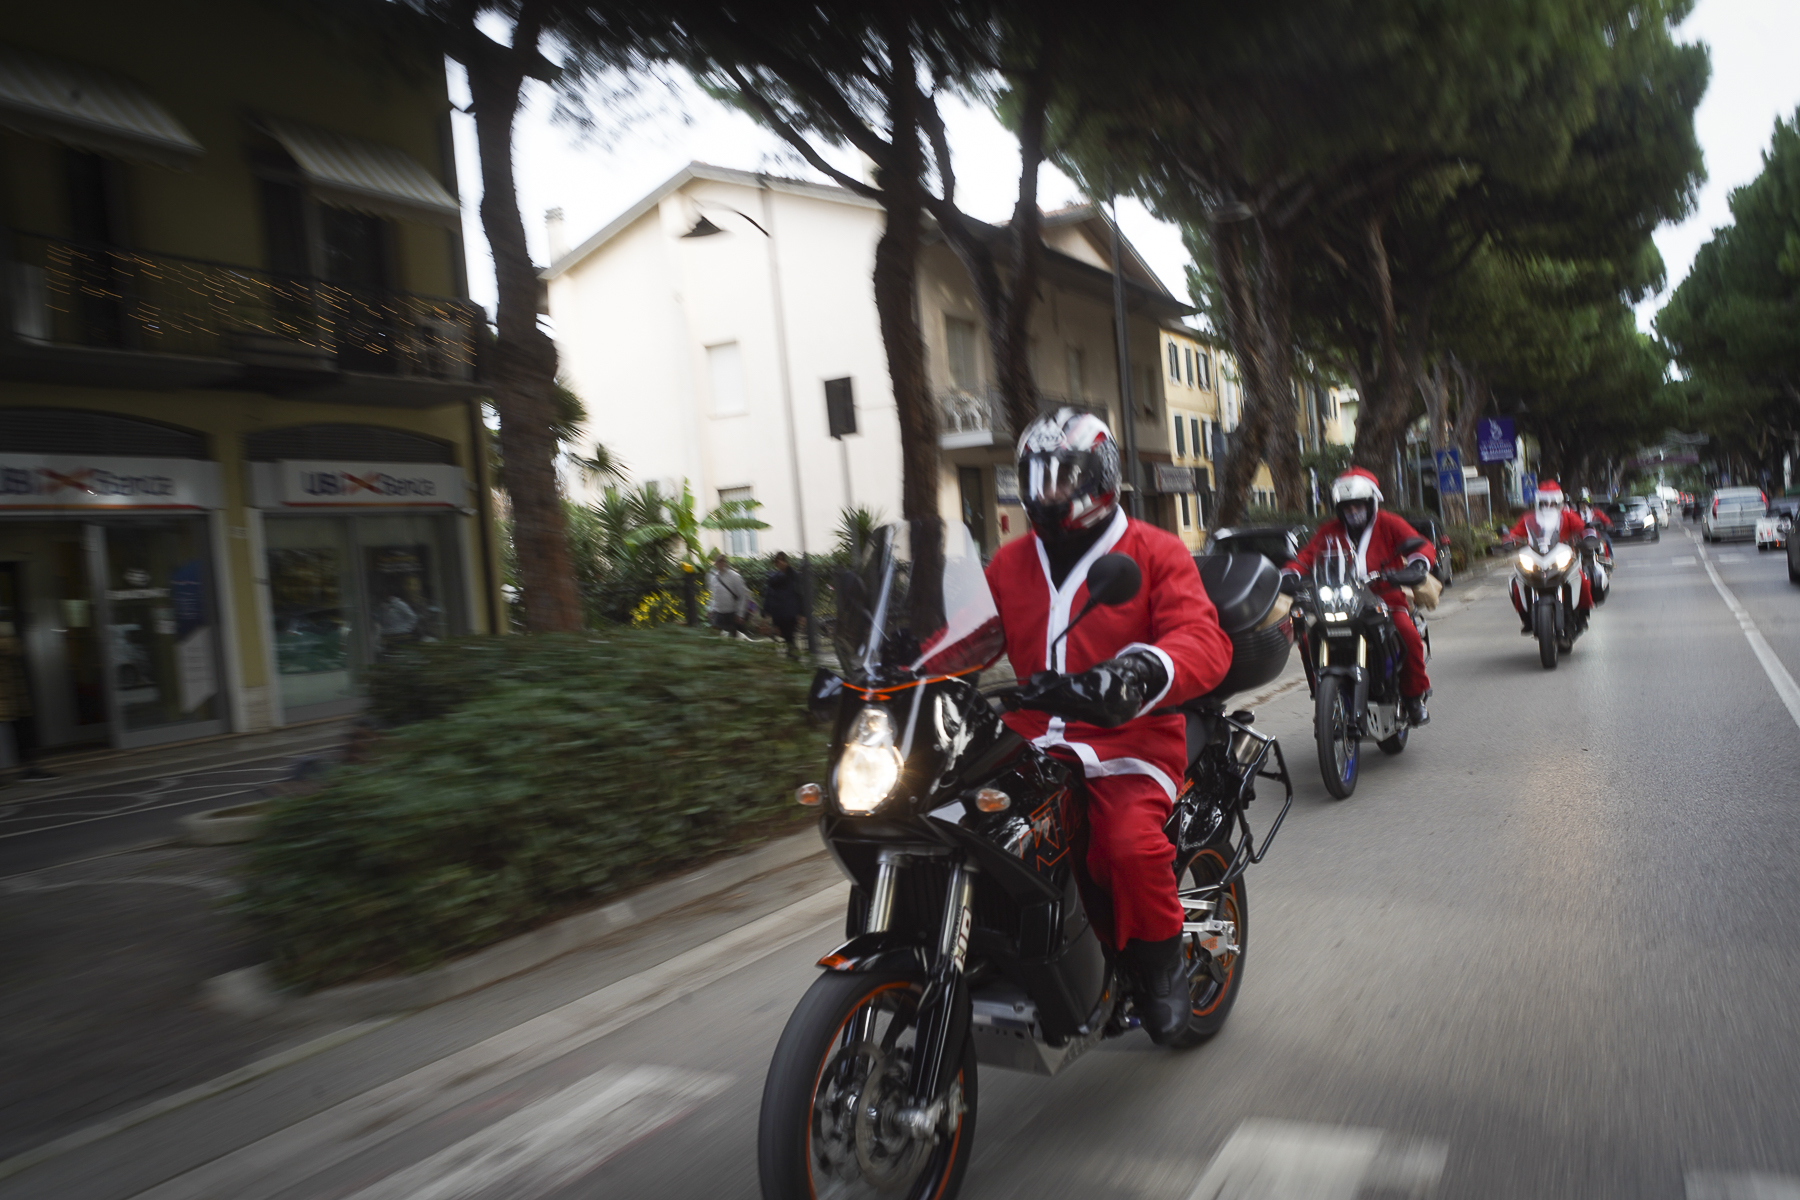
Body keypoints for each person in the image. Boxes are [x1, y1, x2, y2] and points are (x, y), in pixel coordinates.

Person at [986, 408, 1233, 1045]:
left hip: (1128, 737)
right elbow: (968, 634)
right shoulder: (1011, 562)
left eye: (1062, 478)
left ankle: (1161, 969)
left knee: (1126, 844)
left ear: (1098, 478)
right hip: (1031, 736)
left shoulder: (1154, 551)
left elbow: (1202, 641)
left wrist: (1137, 674)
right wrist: (900, 660)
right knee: (964, 821)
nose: (1048, 493)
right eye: (1036, 478)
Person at [1279, 467, 1435, 725]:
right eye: (1347, 507)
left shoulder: (1390, 523)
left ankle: (1413, 696)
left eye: (1359, 506)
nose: (1353, 512)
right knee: (1307, 638)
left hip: (1385, 599)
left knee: (1406, 632)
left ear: (1371, 503)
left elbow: (1418, 545)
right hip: (1337, 601)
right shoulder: (1328, 530)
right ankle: (1323, 695)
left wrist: (1418, 564)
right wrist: (1291, 573)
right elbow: (1305, 557)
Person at [1503, 481, 1595, 631]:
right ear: (1538, 502)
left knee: (1583, 580)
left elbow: (1582, 528)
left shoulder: (1567, 516)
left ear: (1559, 502)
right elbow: (1514, 532)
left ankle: (1583, 614)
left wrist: (1588, 536)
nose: (1548, 505)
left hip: (1563, 557)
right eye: (1544, 502)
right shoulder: (1528, 518)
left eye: (1552, 502)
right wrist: (1507, 540)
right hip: (1536, 558)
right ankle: (1526, 618)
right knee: (1516, 582)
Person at [762, 552, 804, 654]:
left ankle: (793, 657)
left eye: (782, 560)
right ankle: (792, 657)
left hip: (790, 613)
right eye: (777, 560)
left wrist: (802, 614)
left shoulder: (793, 576)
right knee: (785, 638)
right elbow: (769, 595)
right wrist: (766, 612)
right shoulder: (774, 579)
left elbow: (801, 595)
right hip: (778, 614)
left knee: (789, 637)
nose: (780, 563)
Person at [706, 551, 750, 637]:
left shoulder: (734, 576)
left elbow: (743, 595)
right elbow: (713, 595)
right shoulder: (713, 577)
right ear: (715, 563)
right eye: (719, 561)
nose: (721, 563)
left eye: (723, 561)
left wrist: (740, 614)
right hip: (718, 614)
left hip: (732, 614)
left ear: (726, 563)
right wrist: (710, 609)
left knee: (734, 638)